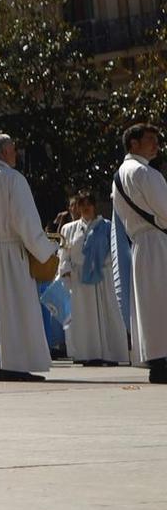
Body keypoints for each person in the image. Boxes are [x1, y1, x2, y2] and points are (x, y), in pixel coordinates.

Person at [0, 133, 61, 382]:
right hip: (11, 253)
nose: (16, 153)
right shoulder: (12, 179)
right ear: (4, 152)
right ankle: (15, 364)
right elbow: (25, 221)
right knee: (15, 309)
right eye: (13, 149)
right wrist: (46, 250)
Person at [112, 123, 167, 384]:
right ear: (133, 144)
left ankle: (156, 359)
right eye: (149, 140)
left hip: (140, 243)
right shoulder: (145, 173)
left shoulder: (120, 175)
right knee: (161, 302)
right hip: (158, 240)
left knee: (150, 305)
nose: (156, 145)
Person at [61, 192, 125, 366]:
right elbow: (64, 254)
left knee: (106, 313)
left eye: (89, 203)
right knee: (83, 316)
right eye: (82, 204)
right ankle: (88, 354)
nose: (86, 207)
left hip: (101, 277)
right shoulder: (69, 229)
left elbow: (113, 251)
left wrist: (100, 264)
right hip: (79, 280)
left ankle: (110, 353)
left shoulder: (106, 226)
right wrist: (66, 270)